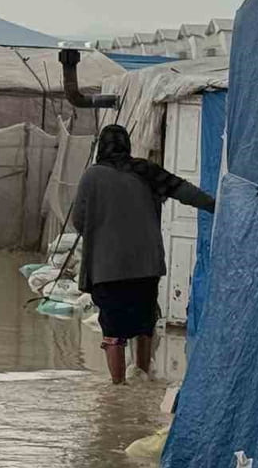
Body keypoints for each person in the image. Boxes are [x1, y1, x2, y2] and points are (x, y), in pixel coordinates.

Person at [72, 124, 216, 384]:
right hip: (146, 267)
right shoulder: (146, 171)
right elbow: (186, 193)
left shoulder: (91, 177)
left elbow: (78, 221)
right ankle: (143, 375)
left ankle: (118, 389)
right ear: (127, 146)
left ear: (101, 150)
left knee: (113, 329)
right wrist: (218, 206)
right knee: (144, 322)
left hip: (107, 269)